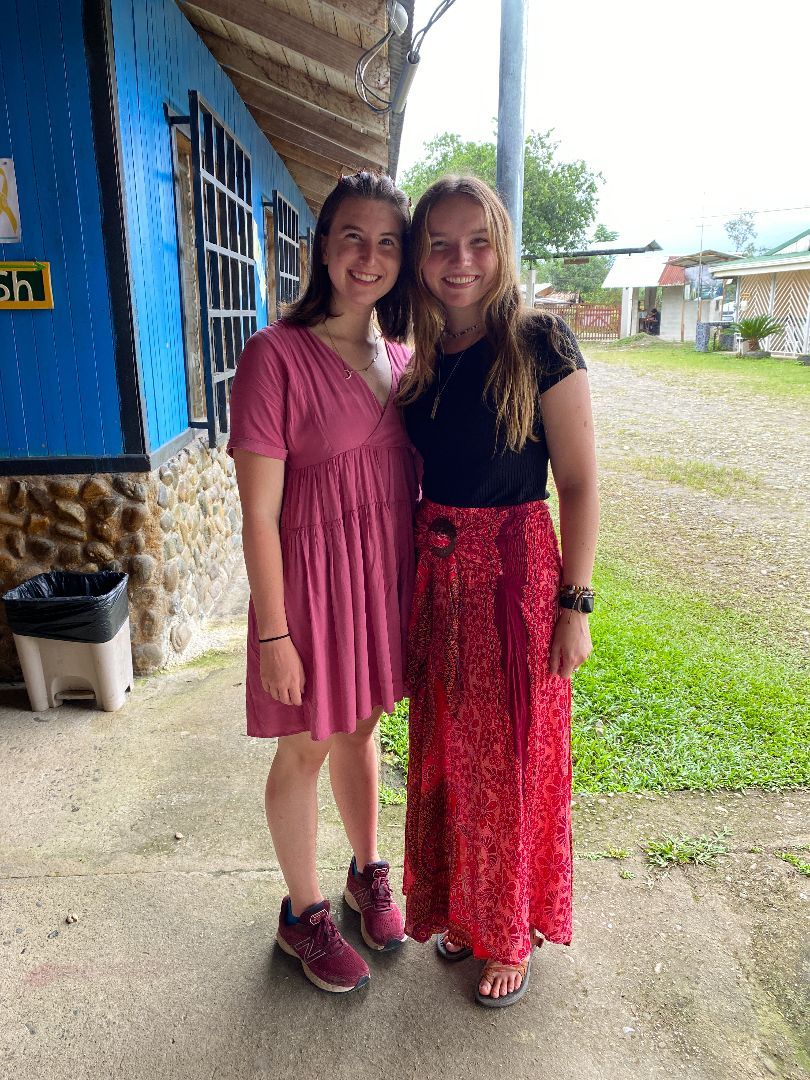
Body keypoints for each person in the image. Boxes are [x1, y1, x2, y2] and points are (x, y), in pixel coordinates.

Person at [398, 176, 599, 1007]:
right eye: (440, 243)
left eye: (477, 241)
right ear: (419, 256)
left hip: (516, 577)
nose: (460, 260)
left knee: (510, 763)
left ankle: (509, 928)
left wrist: (574, 605)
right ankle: (463, 908)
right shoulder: (418, 352)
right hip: (437, 581)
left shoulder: (541, 340)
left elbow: (581, 483)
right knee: (448, 753)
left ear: (502, 245)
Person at [227, 172, 418, 995]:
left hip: (380, 585)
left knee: (363, 725)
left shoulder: (405, 358)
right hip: (308, 593)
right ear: (323, 247)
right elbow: (259, 513)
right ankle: (302, 912)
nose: (368, 256)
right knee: (305, 742)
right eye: (352, 236)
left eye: (386, 241)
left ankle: (366, 868)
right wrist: (274, 634)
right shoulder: (274, 355)